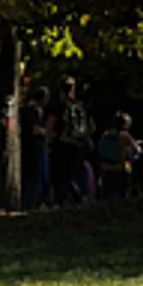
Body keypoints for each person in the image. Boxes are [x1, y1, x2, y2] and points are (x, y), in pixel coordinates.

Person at [46, 76, 93, 206]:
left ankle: (66, 201)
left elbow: (51, 125)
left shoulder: (58, 105)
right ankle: (77, 199)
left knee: (58, 177)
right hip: (78, 144)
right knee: (70, 176)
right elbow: (90, 127)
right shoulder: (80, 105)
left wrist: (47, 142)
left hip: (61, 144)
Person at [97, 112, 142, 201]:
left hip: (106, 168)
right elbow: (138, 150)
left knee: (107, 196)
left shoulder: (105, 134)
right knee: (123, 196)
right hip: (120, 168)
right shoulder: (124, 135)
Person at [20, 87, 51, 209]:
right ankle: (31, 203)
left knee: (39, 176)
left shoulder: (36, 111)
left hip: (36, 147)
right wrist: (47, 133)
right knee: (34, 176)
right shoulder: (30, 112)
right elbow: (34, 130)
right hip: (33, 148)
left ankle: (35, 201)